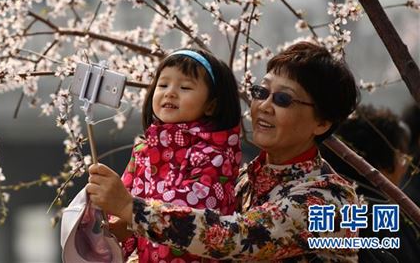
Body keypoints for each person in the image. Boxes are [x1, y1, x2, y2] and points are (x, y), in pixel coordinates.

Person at [87, 41, 362, 261]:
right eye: (260, 92)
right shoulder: (241, 181)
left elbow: (238, 237)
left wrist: (130, 208)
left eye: (283, 99)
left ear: (322, 122)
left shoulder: (328, 199)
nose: (264, 106)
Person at [112, 49, 242, 262]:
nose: (170, 92)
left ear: (211, 105)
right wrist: (116, 223)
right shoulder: (142, 152)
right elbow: (124, 203)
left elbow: (194, 212)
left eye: (185, 87)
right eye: (163, 85)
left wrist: (130, 210)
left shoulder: (216, 155)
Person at [321, 104, 420, 263]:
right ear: (382, 165)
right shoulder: (387, 218)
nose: (405, 165)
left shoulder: (320, 203)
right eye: (401, 155)